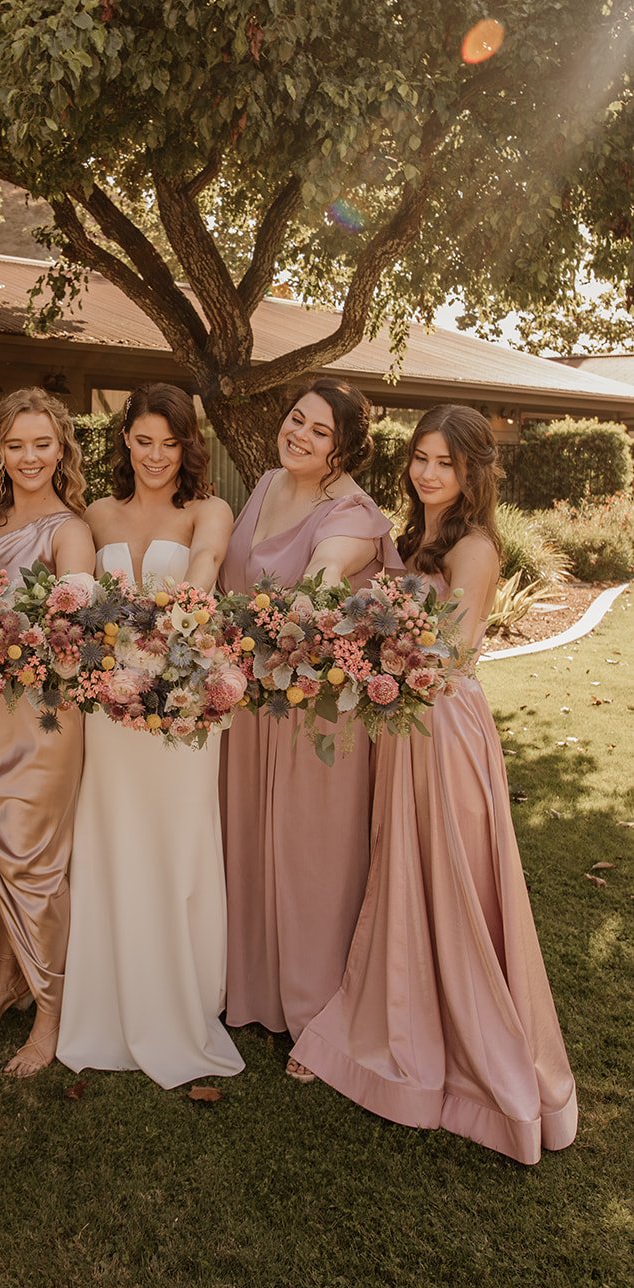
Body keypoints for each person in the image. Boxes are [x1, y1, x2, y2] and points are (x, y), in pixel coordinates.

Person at [291, 406, 578, 1162]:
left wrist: (371, 650)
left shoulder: (474, 548)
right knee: (403, 872)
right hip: (403, 726)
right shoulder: (416, 534)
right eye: (420, 458)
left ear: (472, 472)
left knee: (447, 879)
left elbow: (447, 657)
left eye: (444, 463)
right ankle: (392, 1016)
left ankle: (461, 1047)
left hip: (441, 725)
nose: (426, 473)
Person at [57, 383, 245, 1088]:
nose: (156, 456)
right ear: (124, 439)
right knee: (111, 838)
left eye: (170, 443)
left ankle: (185, 996)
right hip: (108, 710)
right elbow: (75, 595)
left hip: (184, 704)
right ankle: (108, 995)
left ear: (187, 444)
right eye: (143, 440)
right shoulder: (95, 512)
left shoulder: (208, 509)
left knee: (179, 839)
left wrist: (168, 628)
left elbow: (201, 572)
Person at [219, 377, 399, 1079]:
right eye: (296, 419)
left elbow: (328, 568)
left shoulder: (353, 513)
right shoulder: (264, 483)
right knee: (250, 840)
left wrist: (309, 598)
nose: (299, 434)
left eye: (319, 431)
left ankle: (322, 1013)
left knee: (311, 857)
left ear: (345, 447)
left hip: (314, 715)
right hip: (248, 707)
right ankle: (252, 988)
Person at [0, 388, 94, 1077]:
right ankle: (6, 981)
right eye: (15, 445)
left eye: (42, 444)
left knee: (37, 869)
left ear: (60, 448)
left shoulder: (69, 528)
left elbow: (74, 620)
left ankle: (49, 1017)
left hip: (41, 719)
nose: (29, 457)